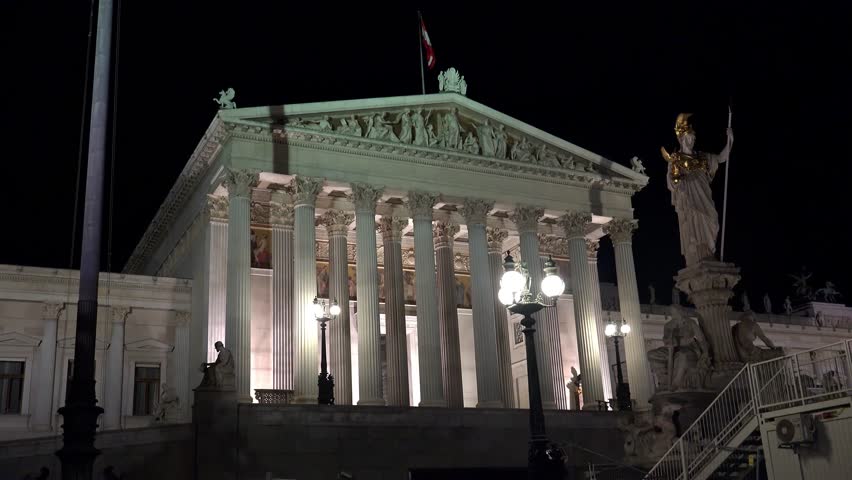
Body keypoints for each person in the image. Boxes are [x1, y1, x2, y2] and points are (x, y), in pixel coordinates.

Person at [661, 113, 733, 266]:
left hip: (704, 195)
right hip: (689, 199)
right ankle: (699, 256)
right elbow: (671, 183)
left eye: (693, 139)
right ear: (682, 139)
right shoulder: (677, 160)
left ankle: (709, 251)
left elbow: (721, 158)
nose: (691, 141)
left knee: (712, 219)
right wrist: (676, 179)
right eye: (688, 138)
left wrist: (730, 140)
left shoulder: (702, 157)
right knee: (695, 223)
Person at [647, 305, 710, 390]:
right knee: (651, 354)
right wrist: (669, 341)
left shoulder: (690, 323)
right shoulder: (668, 325)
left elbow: (701, 339)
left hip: (689, 347)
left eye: (676, 312)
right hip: (673, 348)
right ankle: (664, 381)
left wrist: (705, 352)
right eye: (672, 312)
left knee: (682, 355)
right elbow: (666, 339)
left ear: (681, 311)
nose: (674, 314)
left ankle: (675, 384)